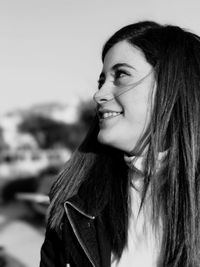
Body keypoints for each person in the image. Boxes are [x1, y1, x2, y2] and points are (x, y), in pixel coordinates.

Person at [40, 20, 200, 267]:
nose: (99, 94)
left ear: (173, 84)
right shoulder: (73, 203)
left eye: (121, 75)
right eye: (101, 80)